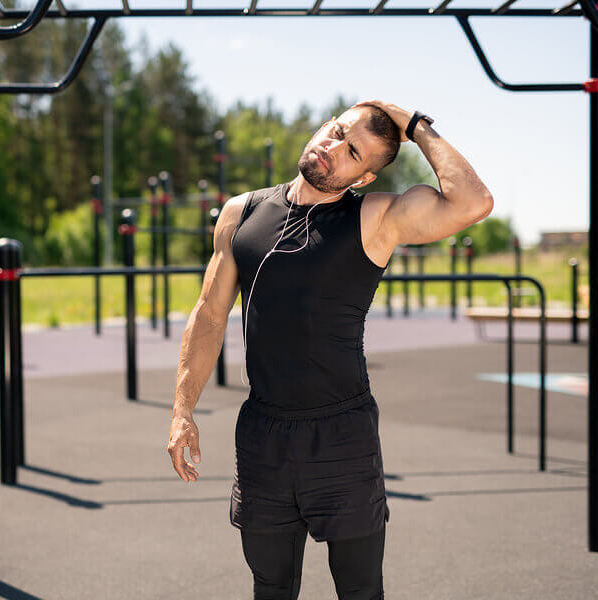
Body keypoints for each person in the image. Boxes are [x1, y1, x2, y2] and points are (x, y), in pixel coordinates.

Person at [167, 100, 493, 599]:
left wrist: (414, 124)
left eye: (353, 151)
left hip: (342, 434)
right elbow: (210, 315)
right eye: (336, 131)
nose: (333, 147)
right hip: (264, 434)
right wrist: (182, 409)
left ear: (361, 178)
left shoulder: (374, 218)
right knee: (270, 587)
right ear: (322, 125)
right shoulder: (242, 212)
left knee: (360, 591)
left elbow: (472, 203)